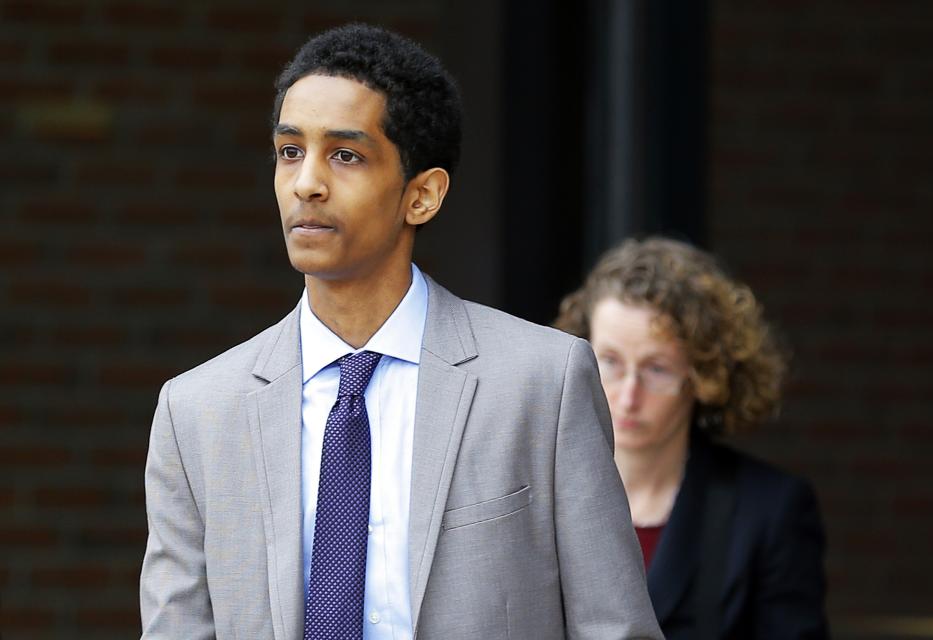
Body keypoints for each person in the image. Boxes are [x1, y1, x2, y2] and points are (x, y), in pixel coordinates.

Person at [139, 23, 663, 640]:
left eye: (345, 154)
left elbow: (614, 626)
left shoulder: (542, 382)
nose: (307, 181)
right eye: (289, 151)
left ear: (423, 196)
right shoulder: (197, 410)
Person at [555, 237, 830, 640]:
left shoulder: (771, 510)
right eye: (608, 362)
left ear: (705, 377)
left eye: (657, 369)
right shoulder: (539, 494)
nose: (628, 396)